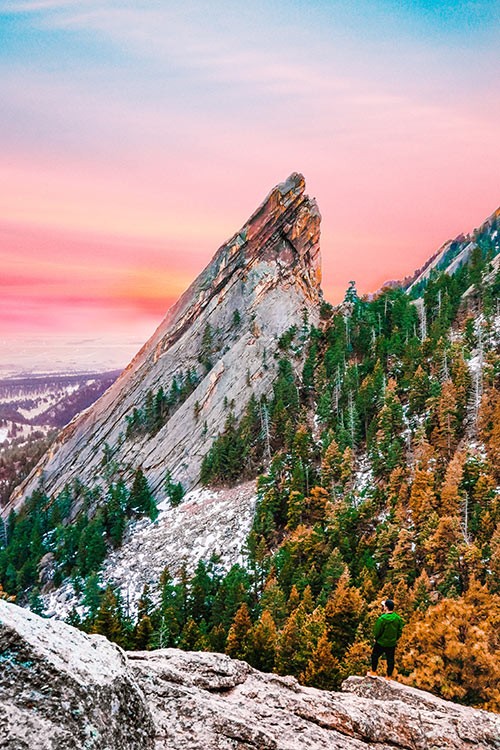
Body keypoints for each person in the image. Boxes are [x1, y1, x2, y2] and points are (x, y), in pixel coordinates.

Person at [368, 599, 404, 679]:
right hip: (391, 643)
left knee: (375, 656)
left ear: (386, 608)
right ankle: (388, 676)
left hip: (381, 642)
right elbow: (399, 631)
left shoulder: (382, 619)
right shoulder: (397, 618)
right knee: (390, 660)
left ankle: (373, 672)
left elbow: (377, 631)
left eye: (384, 606)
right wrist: (395, 638)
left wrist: (376, 638)